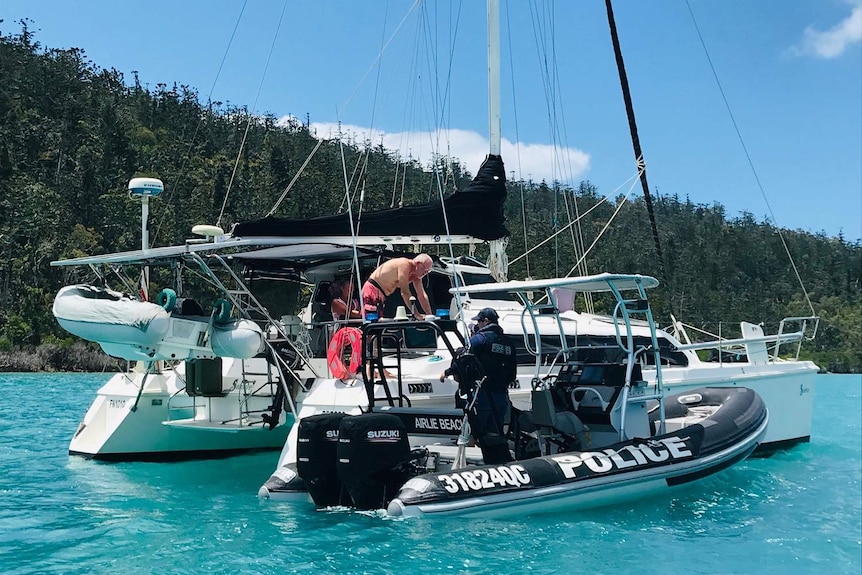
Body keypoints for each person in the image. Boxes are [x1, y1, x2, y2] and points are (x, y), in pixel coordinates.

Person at [439, 307, 516, 462]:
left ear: (485, 321)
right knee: (495, 432)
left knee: (474, 431)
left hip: (483, 394)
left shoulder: (480, 339)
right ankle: (496, 462)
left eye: (479, 321)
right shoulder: (508, 342)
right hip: (501, 396)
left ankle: (468, 464)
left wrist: (447, 372)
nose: (478, 325)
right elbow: (512, 372)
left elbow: (464, 358)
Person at [361, 253, 433, 319]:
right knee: (371, 320)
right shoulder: (405, 264)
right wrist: (416, 314)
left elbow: (422, 295)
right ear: (417, 263)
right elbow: (405, 292)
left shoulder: (417, 275)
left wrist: (430, 315)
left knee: (377, 324)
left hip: (381, 295)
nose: (425, 273)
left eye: (428, 271)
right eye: (425, 269)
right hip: (372, 289)